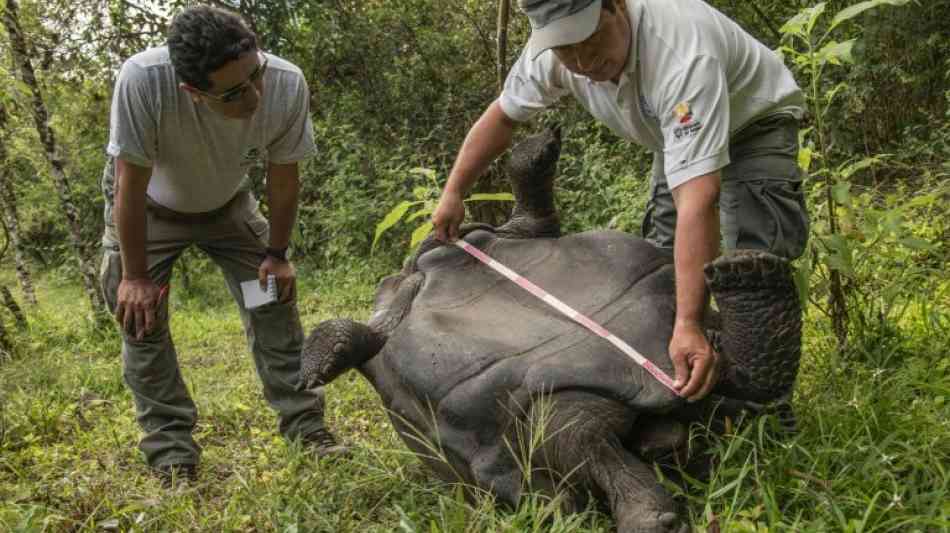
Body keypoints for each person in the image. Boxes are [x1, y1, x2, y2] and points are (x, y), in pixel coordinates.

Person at [432, 0, 809, 403]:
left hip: (752, 124)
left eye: (588, 38)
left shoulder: (682, 51)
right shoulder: (552, 54)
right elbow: (503, 117)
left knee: (752, 268)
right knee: (661, 260)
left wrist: (688, 321)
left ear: (615, 6)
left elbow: (699, 200)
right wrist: (454, 191)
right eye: (564, 48)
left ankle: (767, 409)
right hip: (674, 134)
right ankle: (693, 377)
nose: (581, 59)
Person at [99, 5, 347, 484]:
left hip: (229, 208)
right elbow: (128, 186)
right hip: (149, 212)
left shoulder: (286, 82)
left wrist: (276, 255)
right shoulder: (143, 81)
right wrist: (134, 277)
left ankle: (307, 430)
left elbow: (282, 177)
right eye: (234, 92)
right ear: (192, 92)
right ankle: (172, 455)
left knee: (269, 300)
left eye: (256, 75)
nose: (254, 95)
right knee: (142, 321)